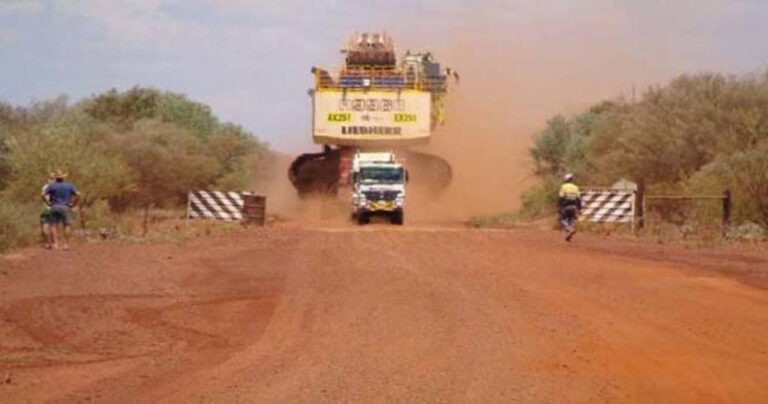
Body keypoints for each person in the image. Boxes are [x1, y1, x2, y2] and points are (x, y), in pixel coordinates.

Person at [42, 170, 81, 250]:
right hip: (65, 207)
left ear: (56, 178)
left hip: (54, 206)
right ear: (63, 177)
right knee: (67, 225)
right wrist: (73, 204)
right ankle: (66, 244)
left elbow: (42, 195)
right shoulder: (69, 185)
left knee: (53, 225)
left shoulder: (51, 186)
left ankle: (56, 244)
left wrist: (48, 203)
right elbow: (78, 194)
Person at [558, 173, 581, 242]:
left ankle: (569, 229)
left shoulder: (564, 186)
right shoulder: (576, 187)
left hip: (566, 206)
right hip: (574, 206)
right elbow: (578, 199)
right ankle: (569, 235)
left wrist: (559, 206)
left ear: (565, 179)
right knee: (571, 220)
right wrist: (579, 208)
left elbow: (561, 198)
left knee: (562, 220)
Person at [39, 173, 55, 249]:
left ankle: (48, 243)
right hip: (53, 208)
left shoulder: (45, 187)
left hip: (46, 208)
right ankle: (54, 242)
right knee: (53, 226)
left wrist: (47, 202)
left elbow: (42, 196)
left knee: (45, 226)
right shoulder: (56, 186)